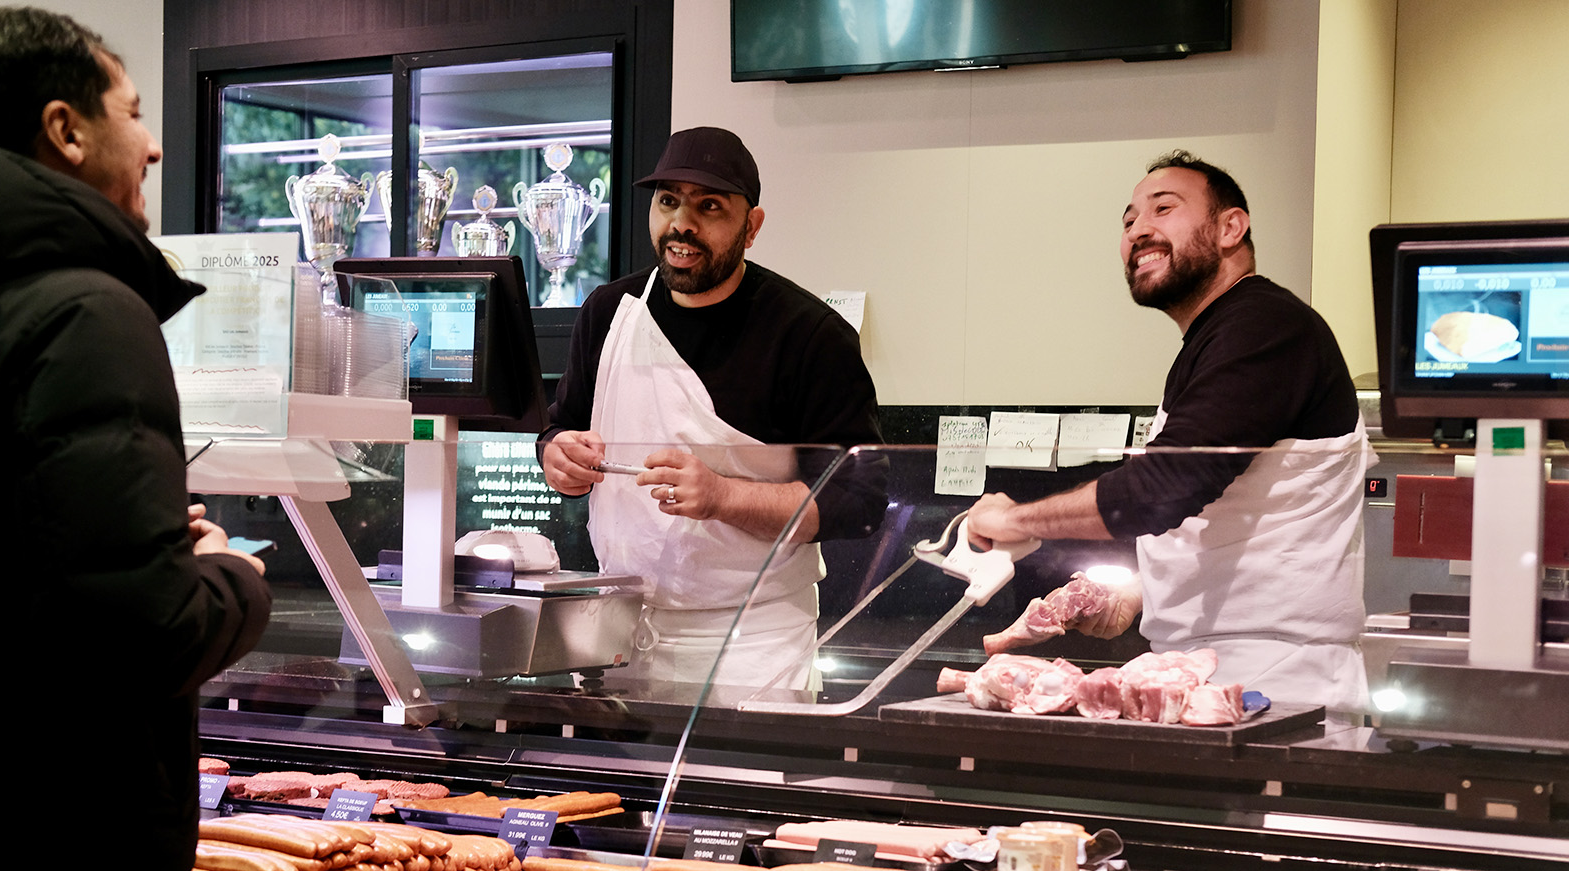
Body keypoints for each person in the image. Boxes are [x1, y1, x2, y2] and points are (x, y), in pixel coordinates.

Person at [0, 8, 271, 871]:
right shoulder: (87, 306)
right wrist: (231, 575)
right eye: (134, 114)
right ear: (63, 130)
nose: (151, 143)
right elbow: (141, 630)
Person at [967, 150, 1373, 710]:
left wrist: (1012, 518)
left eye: (1164, 208)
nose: (1139, 231)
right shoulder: (1217, 337)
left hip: (1275, 677)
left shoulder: (1266, 327)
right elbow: (1228, 508)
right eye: (1129, 220)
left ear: (1231, 227)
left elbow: (1161, 489)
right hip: (1206, 665)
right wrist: (1138, 592)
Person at [540, 126, 884, 688]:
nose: (682, 224)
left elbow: (858, 503)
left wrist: (725, 496)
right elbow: (560, 428)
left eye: (709, 206)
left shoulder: (810, 335)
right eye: (668, 201)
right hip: (619, 629)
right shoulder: (609, 312)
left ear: (752, 227)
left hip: (756, 643)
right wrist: (558, 455)